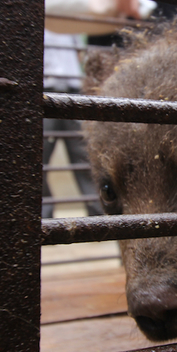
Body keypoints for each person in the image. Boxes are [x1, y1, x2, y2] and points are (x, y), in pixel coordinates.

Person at [42, 29, 103, 218]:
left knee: (83, 155)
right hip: (44, 88)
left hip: (73, 91)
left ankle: (98, 215)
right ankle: (42, 216)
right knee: (39, 158)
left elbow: (79, 53)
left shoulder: (69, 21)